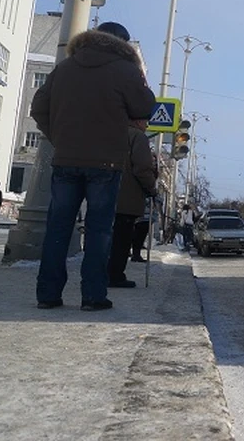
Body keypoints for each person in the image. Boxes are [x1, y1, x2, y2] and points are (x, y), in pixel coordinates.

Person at [31, 21, 156, 311]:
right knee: (100, 231)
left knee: (58, 229)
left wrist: (60, 138)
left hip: (65, 160)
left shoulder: (64, 68)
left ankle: (47, 295)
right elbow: (144, 107)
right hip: (106, 162)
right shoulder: (125, 70)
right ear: (124, 44)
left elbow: (38, 108)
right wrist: (138, 75)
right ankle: (93, 296)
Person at [107, 119, 157, 288]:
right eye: (145, 121)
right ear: (137, 121)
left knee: (104, 236)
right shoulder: (138, 137)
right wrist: (151, 187)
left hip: (103, 192)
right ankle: (115, 275)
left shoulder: (110, 131)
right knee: (122, 238)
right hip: (127, 196)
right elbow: (142, 168)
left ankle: (98, 273)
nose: (147, 125)